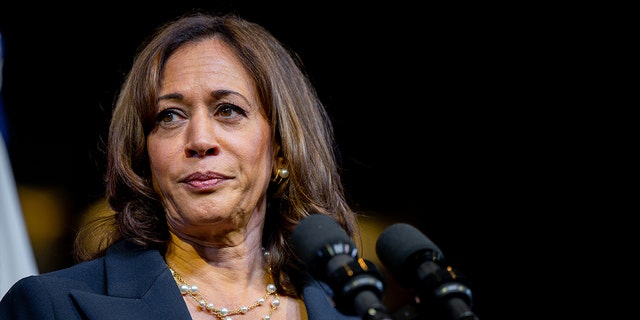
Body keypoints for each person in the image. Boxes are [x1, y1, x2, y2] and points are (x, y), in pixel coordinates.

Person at [0, 12, 366, 320]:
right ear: (144, 157)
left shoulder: (349, 307)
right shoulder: (53, 308)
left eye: (228, 111)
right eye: (170, 116)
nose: (200, 141)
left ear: (282, 150)